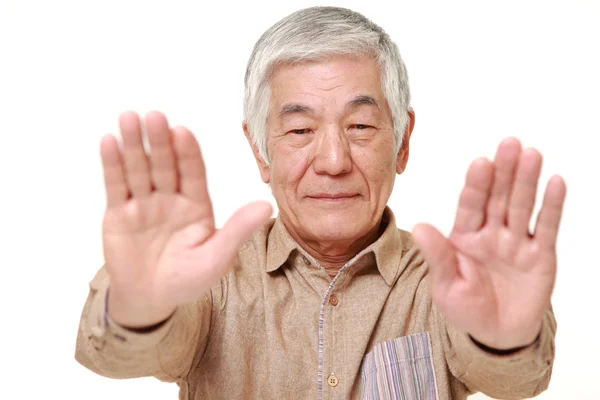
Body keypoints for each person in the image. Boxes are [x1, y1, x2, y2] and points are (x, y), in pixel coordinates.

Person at [74, 6, 566, 399]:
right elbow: (115, 357)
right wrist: (137, 307)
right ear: (260, 152)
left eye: (360, 127)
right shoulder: (212, 278)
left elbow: (516, 380)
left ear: (403, 142)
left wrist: (504, 338)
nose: (333, 160)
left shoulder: (445, 283)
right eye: (300, 130)